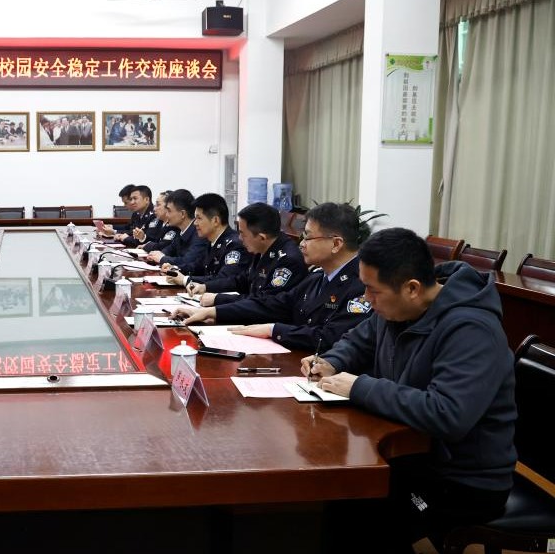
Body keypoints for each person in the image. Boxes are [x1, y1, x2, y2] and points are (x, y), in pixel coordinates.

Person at [304, 228, 516, 553]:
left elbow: (447, 414)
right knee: (342, 491)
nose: (366, 299)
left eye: (373, 291)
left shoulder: (472, 329)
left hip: (464, 478)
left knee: (363, 511)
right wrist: (331, 362)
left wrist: (359, 387)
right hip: (414, 452)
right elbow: (359, 341)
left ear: (412, 288)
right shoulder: (398, 306)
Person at [173, 202, 372, 351]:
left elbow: (330, 338)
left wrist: (274, 330)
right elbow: (274, 303)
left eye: (308, 237)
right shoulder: (318, 277)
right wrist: (213, 312)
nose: (302, 244)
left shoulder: (363, 286)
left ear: (336, 244)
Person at [184, 202, 307, 302]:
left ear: (261, 237)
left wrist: (218, 299)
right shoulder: (263, 247)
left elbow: (263, 302)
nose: (239, 238)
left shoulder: (288, 260)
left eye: (243, 234)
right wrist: (205, 287)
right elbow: (241, 281)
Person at [166, 193, 252, 289]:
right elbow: (198, 266)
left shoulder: (235, 245)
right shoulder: (212, 241)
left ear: (215, 221)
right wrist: (175, 269)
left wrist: (185, 280)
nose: (195, 223)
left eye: (199, 218)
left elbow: (223, 280)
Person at [146, 189, 206, 274]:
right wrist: (157, 254)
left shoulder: (199, 233)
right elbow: (171, 249)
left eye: (169, 211)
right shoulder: (181, 229)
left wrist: (162, 258)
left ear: (182, 214)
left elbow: (188, 261)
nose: (166, 215)